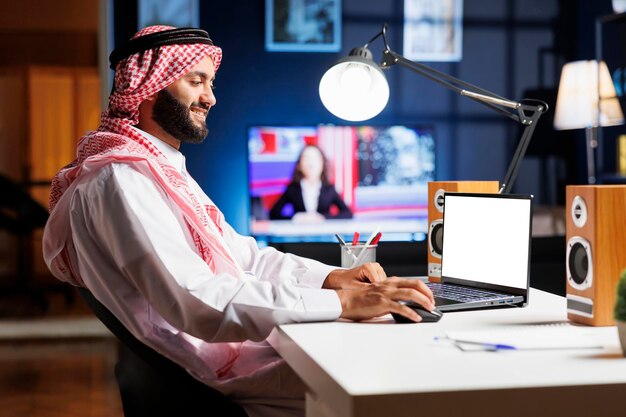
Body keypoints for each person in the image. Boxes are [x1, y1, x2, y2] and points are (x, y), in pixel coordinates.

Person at [42, 25, 434, 417]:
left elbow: (244, 256)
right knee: (396, 380)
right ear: (148, 86)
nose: (210, 98)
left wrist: (331, 279)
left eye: (210, 83)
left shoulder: (153, 169)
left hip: (227, 354)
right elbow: (197, 299)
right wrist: (343, 303)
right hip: (216, 370)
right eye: (195, 81)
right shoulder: (121, 180)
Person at [269, 144, 352, 222]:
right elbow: (273, 214)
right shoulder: (293, 189)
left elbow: (347, 214)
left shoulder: (329, 189)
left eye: (315, 158)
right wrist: (295, 218)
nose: (311, 163)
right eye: (306, 158)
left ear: (323, 163)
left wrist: (324, 218)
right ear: (299, 165)